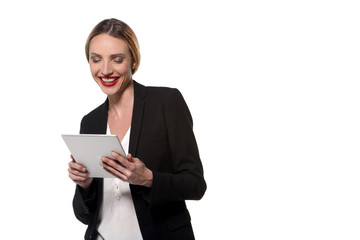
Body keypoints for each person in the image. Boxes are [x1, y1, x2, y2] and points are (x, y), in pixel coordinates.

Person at [67, 18, 206, 240]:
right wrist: (85, 185)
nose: (105, 70)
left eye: (117, 59)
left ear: (133, 60)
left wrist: (148, 178)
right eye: (96, 60)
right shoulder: (90, 122)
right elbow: (84, 215)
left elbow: (196, 185)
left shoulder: (166, 102)